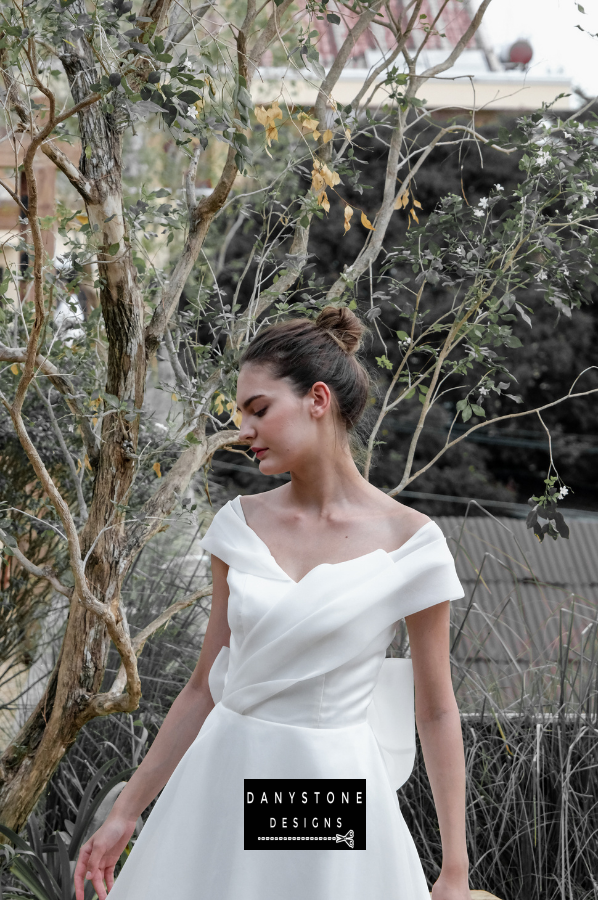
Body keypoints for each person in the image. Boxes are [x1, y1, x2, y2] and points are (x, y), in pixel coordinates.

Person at [74, 306, 470, 900]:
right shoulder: (238, 525)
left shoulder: (410, 544)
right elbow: (205, 687)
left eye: (259, 410)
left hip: (324, 786)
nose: (244, 430)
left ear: (317, 399)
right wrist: (126, 813)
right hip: (222, 774)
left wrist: (455, 869)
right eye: (240, 415)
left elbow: (436, 711)